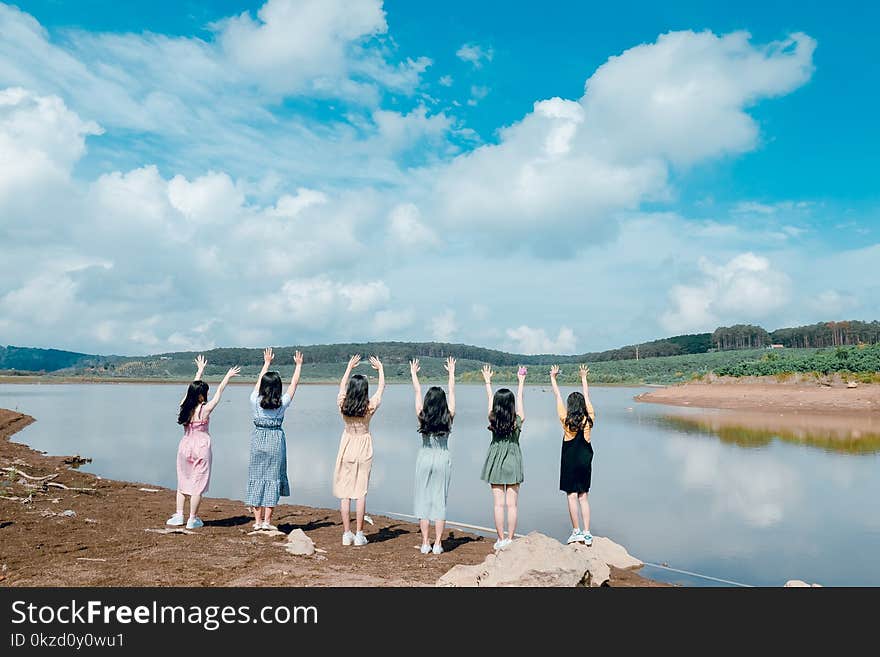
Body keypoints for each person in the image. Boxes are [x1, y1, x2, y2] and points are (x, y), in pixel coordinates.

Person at [168, 355, 240, 530]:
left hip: (185, 446)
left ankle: (179, 515)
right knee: (197, 484)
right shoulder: (205, 409)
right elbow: (219, 393)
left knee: (183, 482)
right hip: (201, 447)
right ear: (201, 395)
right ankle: (192, 519)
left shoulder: (184, 405)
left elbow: (190, 389)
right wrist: (227, 377)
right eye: (205, 392)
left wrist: (200, 371)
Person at [246, 347, 303, 531]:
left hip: (258, 441)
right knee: (272, 479)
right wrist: (298, 366)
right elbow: (294, 385)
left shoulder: (254, 400)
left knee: (257, 477)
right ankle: (267, 522)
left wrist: (267, 363)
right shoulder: (282, 404)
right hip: (275, 441)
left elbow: (257, 385)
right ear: (278, 387)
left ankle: (256, 522)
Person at [333, 354, 385, 546]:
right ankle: (359, 534)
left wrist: (348, 368)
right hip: (363, 445)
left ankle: (347, 534)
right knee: (360, 492)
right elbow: (381, 389)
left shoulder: (343, 404)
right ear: (364, 391)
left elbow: (341, 387)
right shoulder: (369, 407)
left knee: (346, 492)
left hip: (347, 444)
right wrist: (381, 370)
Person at [409, 356, 456, 555]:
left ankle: (425, 543)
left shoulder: (422, 415)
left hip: (425, 457)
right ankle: (438, 543)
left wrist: (413, 374)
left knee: (423, 499)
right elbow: (452, 391)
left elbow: (417, 391)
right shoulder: (449, 415)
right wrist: (451, 373)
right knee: (440, 500)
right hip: (443, 456)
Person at [479, 364, 526, 550]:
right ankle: (510, 539)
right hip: (513, 459)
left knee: (498, 505)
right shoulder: (517, 420)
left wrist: (488, 382)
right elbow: (520, 400)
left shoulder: (492, 419)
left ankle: (500, 539)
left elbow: (490, 401)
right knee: (512, 505)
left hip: (495, 460)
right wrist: (521, 382)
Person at [550, 364, 595, 546]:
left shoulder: (565, 420)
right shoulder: (589, 418)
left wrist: (553, 378)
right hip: (585, 461)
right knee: (583, 496)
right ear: (583, 405)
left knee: (571, 495)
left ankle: (575, 531)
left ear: (570, 406)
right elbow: (588, 397)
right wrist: (583, 378)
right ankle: (587, 532)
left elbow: (557, 396)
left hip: (569, 461)